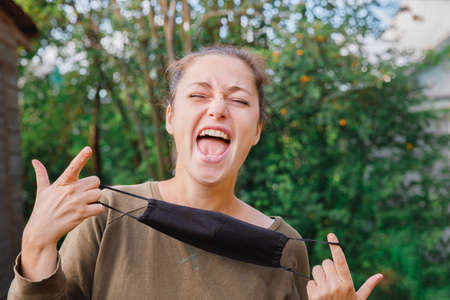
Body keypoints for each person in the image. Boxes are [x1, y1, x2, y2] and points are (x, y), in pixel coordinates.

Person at [8, 46, 383, 299]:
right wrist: (37, 246)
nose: (218, 108)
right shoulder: (106, 215)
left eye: (238, 100)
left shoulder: (285, 247)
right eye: (199, 95)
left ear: (256, 131)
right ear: (171, 118)